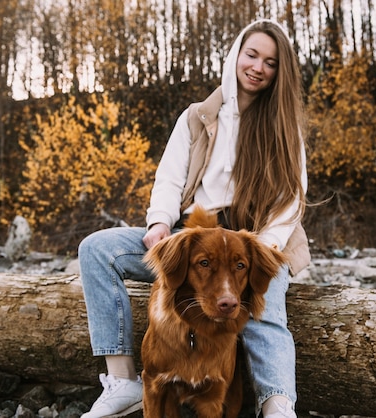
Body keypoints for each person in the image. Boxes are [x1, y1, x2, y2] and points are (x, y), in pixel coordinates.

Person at [78, 18, 310, 418]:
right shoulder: (197, 116)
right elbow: (169, 178)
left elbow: (290, 201)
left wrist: (263, 251)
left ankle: (276, 402)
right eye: (251, 55)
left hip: (254, 241)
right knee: (97, 249)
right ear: (236, 55)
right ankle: (123, 381)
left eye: (270, 63)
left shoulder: (285, 128)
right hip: (192, 234)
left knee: (265, 310)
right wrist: (159, 224)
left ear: (280, 73)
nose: (257, 67)